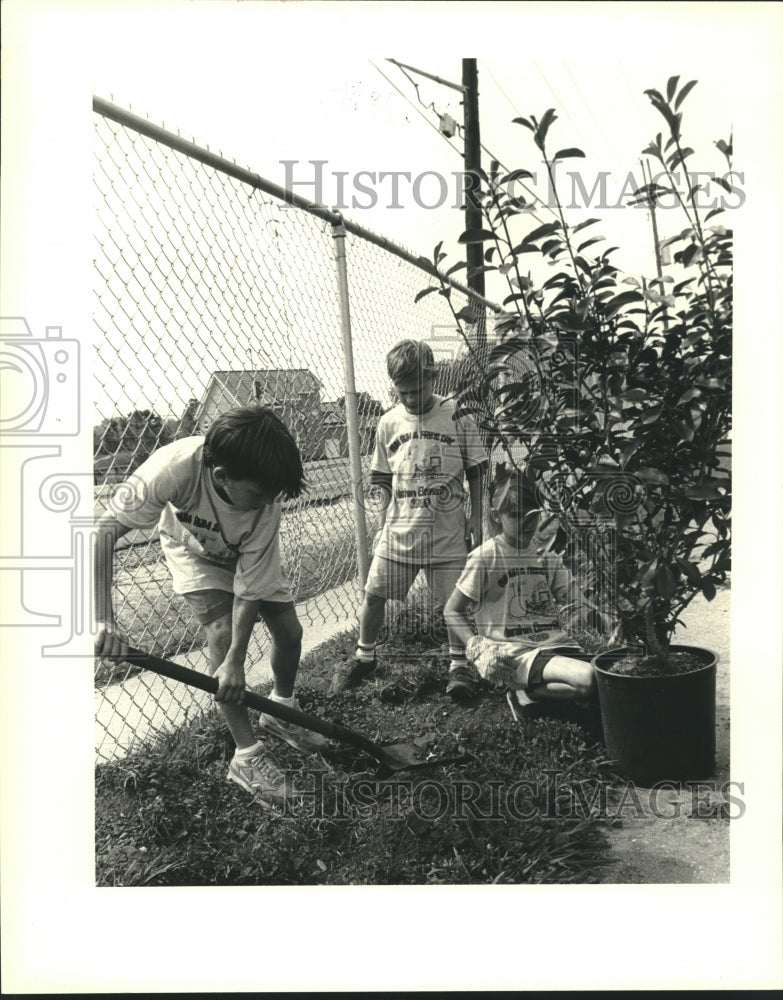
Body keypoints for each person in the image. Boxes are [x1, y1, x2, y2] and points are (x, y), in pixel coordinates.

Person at [94, 405, 327, 810]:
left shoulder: (264, 505)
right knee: (220, 632)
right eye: (258, 493)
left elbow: (250, 589)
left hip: (244, 553)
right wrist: (102, 620)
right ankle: (247, 756)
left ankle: (281, 712)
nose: (267, 501)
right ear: (221, 476)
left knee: (290, 633)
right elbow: (100, 535)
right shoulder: (171, 468)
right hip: (194, 552)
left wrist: (239, 659)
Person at [329, 339, 488, 700]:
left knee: (455, 604)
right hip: (400, 531)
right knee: (373, 593)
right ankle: (365, 656)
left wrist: (478, 518)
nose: (412, 399)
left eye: (418, 390)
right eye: (403, 393)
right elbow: (381, 477)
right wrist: (385, 518)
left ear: (432, 377)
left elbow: (478, 469)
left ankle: (459, 666)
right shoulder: (388, 422)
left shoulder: (456, 413)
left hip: (447, 532)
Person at [443, 466, 597, 713]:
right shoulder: (486, 557)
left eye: (532, 515)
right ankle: (521, 692)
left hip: (557, 646)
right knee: (589, 678)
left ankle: (525, 695)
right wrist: (475, 644)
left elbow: (576, 601)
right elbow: (452, 610)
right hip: (515, 654)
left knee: (604, 680)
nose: (526, 523)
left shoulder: (545, 555)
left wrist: (611, 625)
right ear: (496, 516)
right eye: (515, 515)